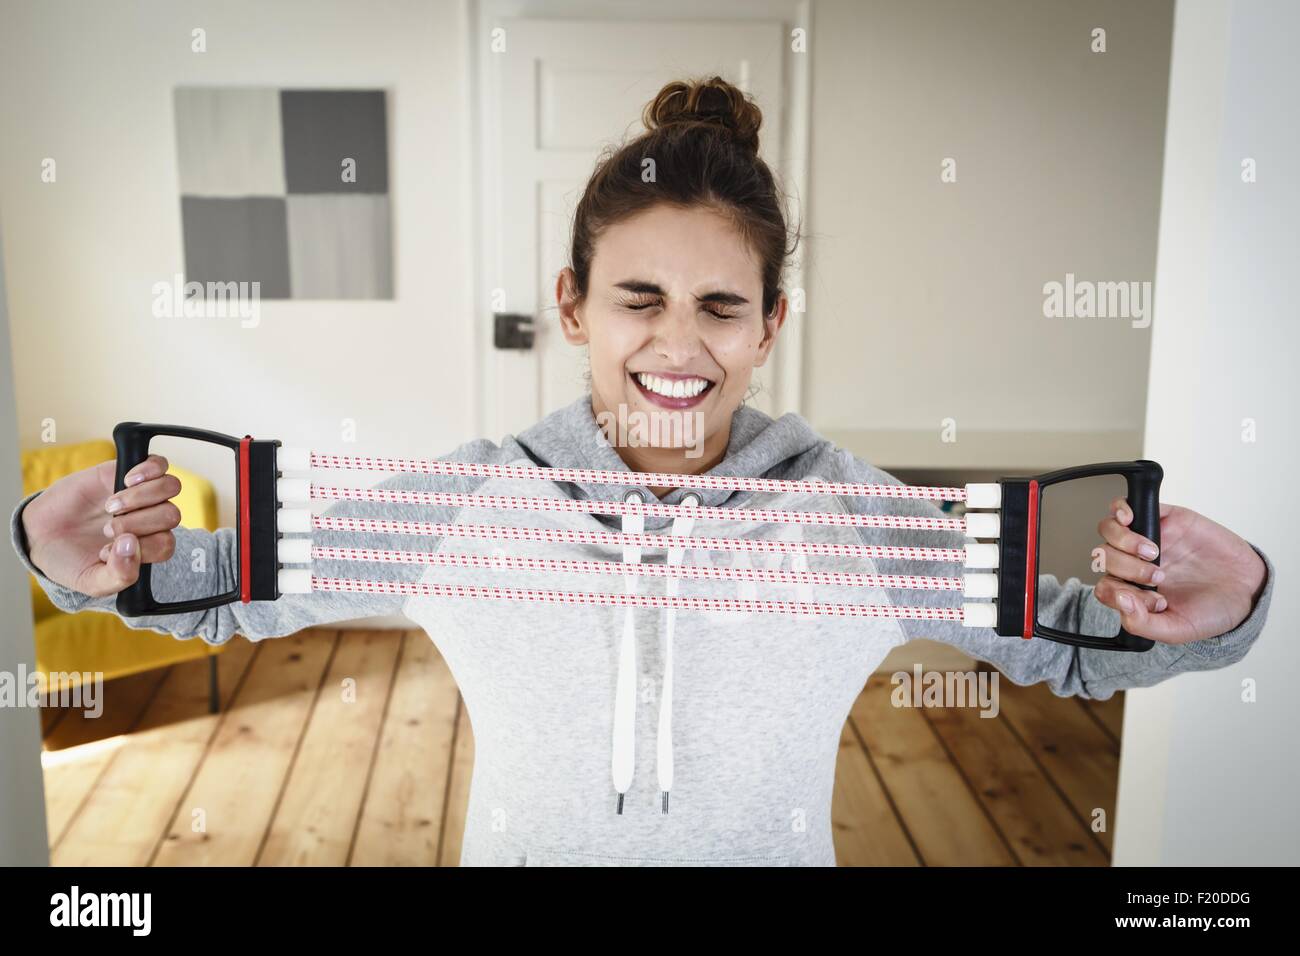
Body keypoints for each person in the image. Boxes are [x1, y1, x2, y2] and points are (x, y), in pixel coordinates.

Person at [10, 76, 1273, 867]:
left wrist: (1218, 614)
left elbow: (1066, 644)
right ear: (572, 305)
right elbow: (214, 589)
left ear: (770, 325)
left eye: (722, 305)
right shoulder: (464, 500)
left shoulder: (861, 517)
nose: (679, 344)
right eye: (639, 299)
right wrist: (68, 557)